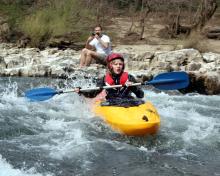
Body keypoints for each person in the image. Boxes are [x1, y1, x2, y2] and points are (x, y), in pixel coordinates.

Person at [76, 53, 144, 102]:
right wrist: (81, 91)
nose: (118, 66)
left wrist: (133, 87)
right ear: (110, 66)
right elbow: (93, 94)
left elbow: (141, 95)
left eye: (120, 64)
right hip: (112, 103)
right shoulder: (104, 79)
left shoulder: (129, 77)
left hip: (129, 101)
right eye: (115, 64)